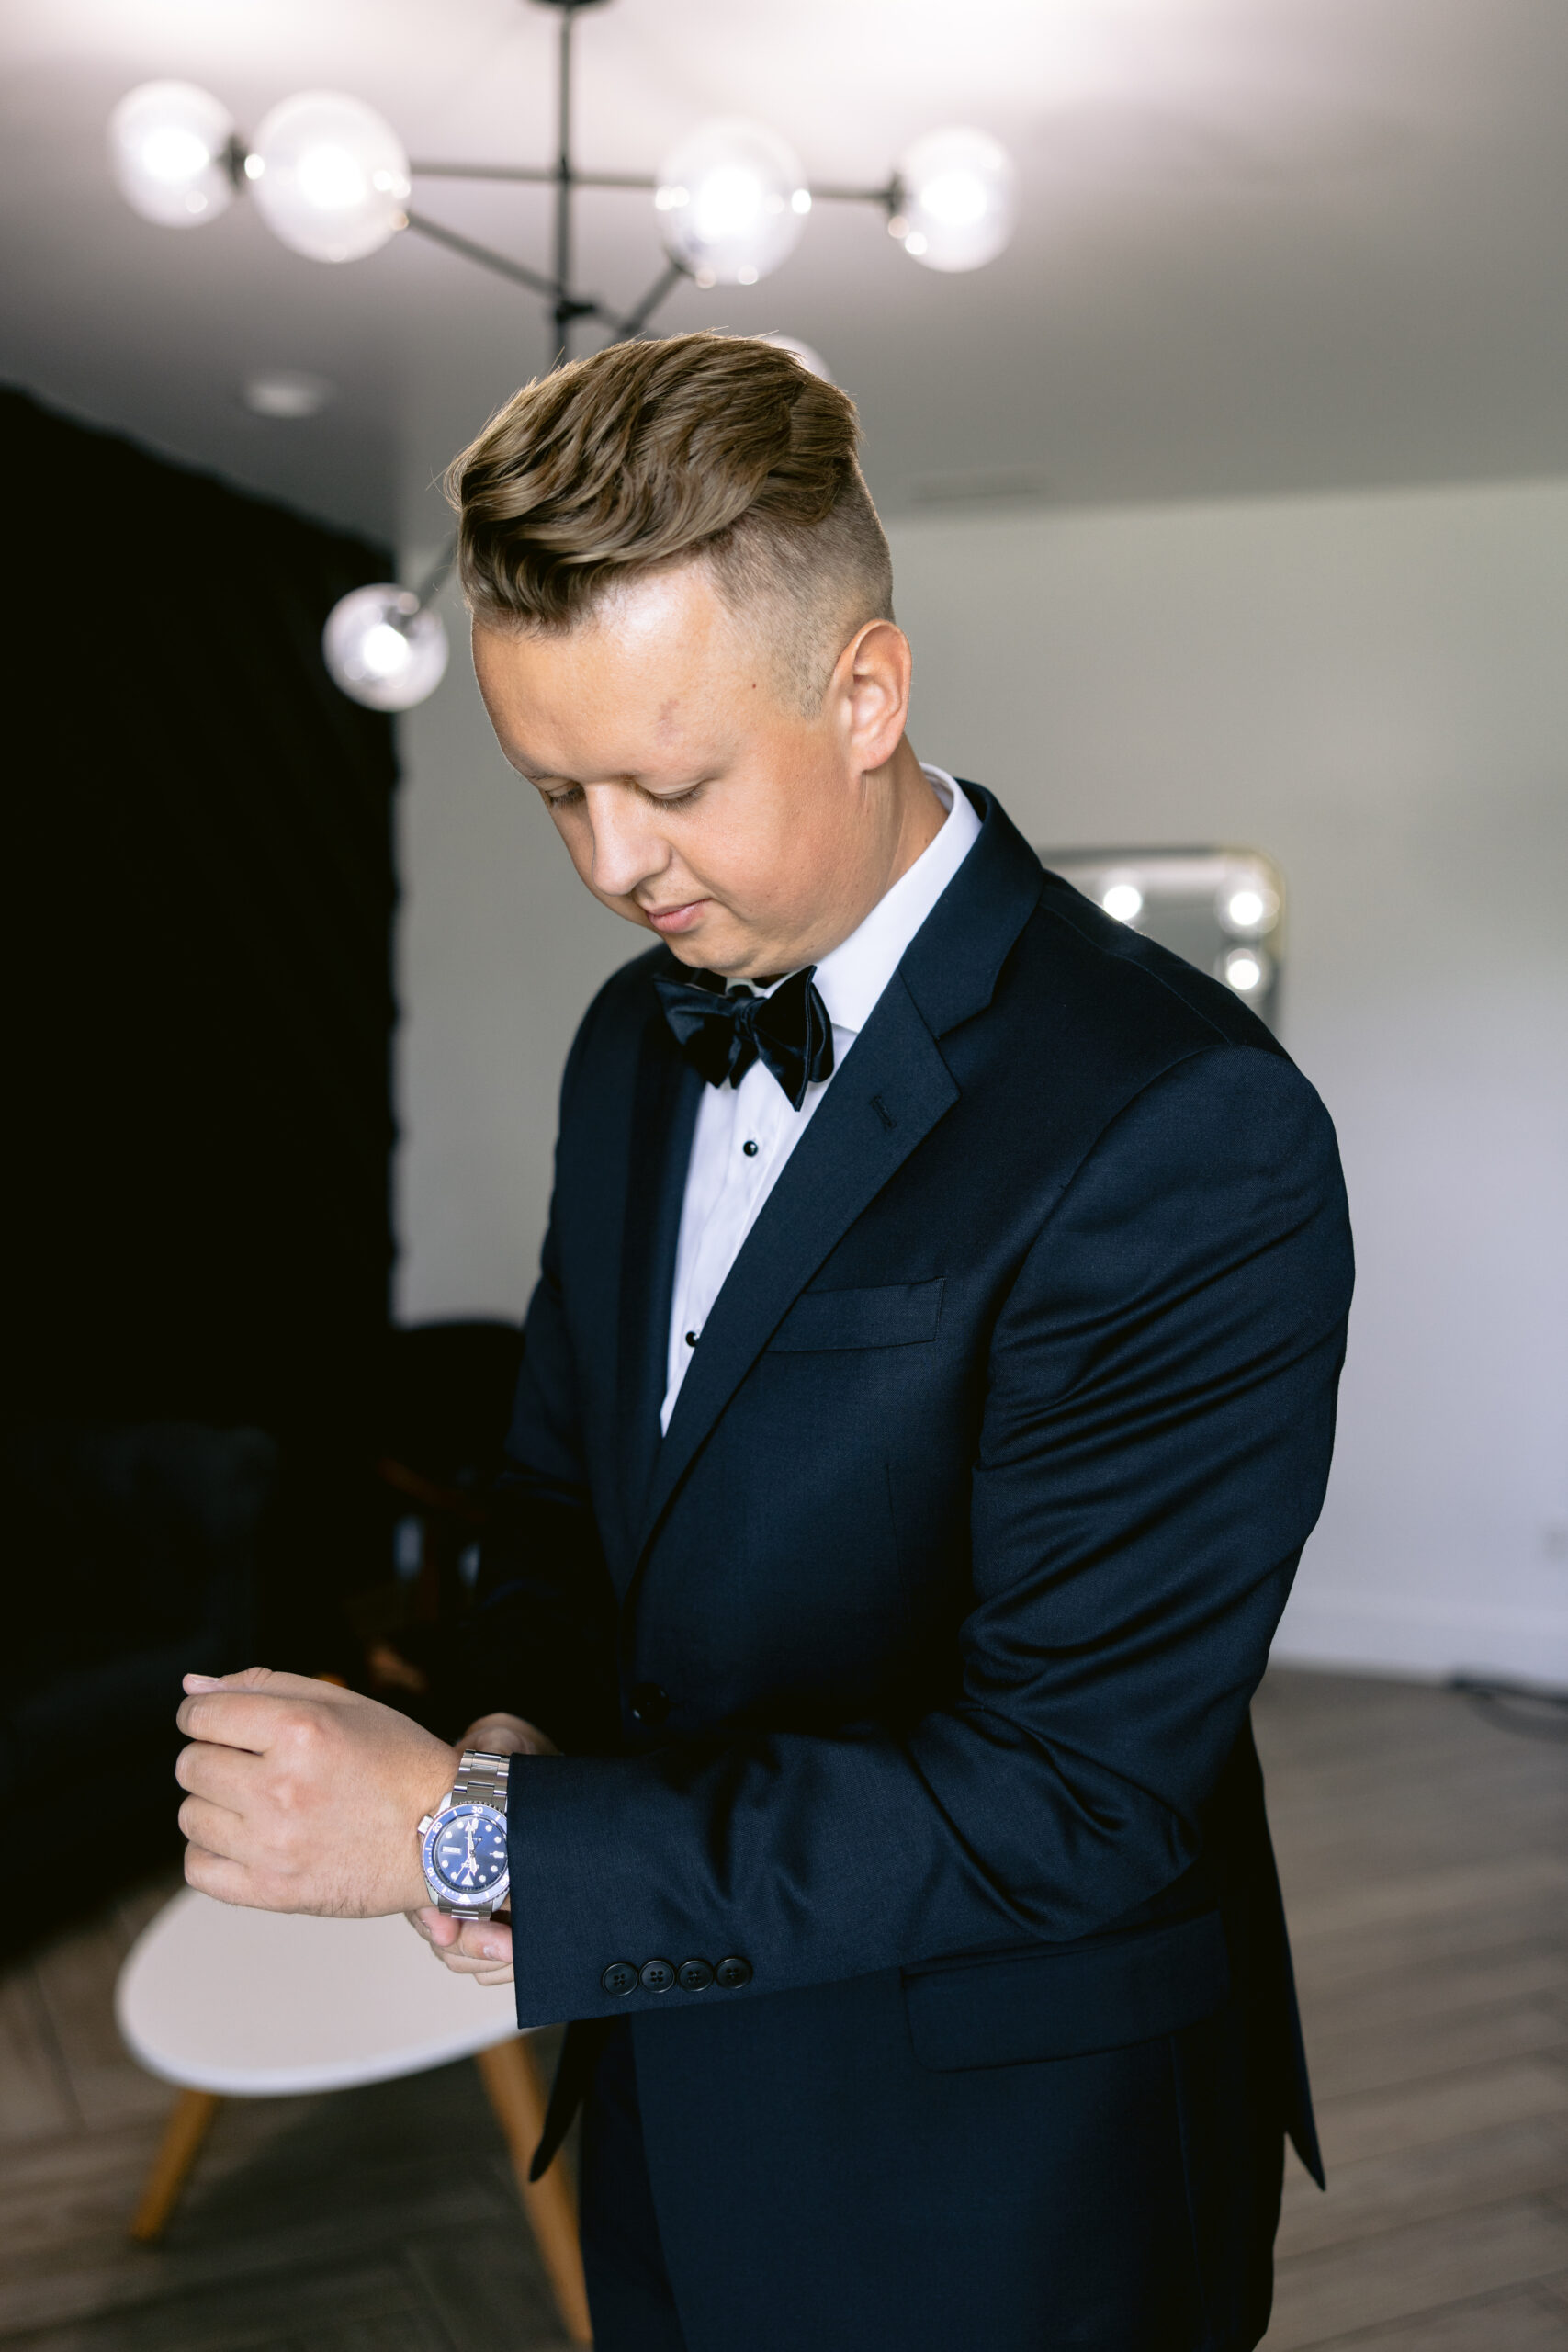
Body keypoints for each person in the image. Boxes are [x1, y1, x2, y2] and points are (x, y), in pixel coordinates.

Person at [175, 332, 1354, 2352]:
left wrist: (464, 1834)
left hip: (1006, 2179)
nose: (612, 862)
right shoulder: (625, 1046)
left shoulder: (1181, 1118)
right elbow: (560, 1504)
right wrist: (515, 1728)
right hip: (652, 2091)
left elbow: (1064, 1794)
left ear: (865, 690)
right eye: (556, 788)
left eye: (670, 781)